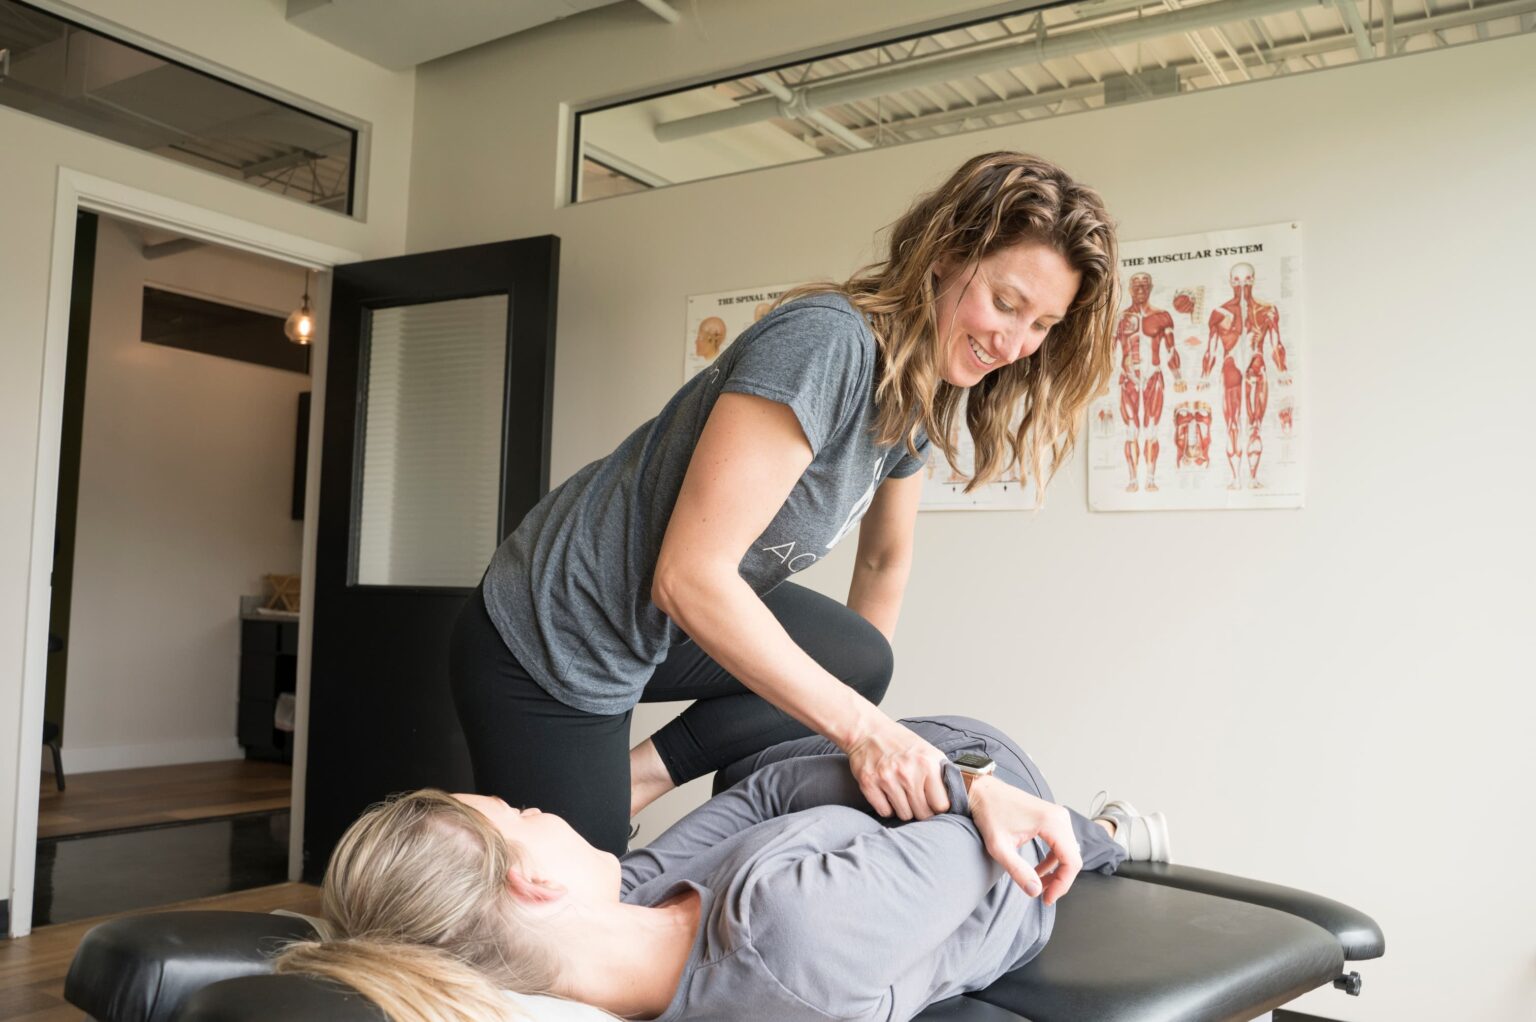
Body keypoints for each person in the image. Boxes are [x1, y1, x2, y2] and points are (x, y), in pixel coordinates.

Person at [450, 151, 1120, 858]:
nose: (1014, 344)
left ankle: (634, 776)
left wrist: (853, 732)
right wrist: (866, 735)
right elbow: (689, 577)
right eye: (1006, 303)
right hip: (556, 631)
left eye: (1043, 324)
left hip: (654, 624)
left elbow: (886, 558)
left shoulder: (916, 389)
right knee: (566, 915)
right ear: (946, 254)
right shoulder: (827, 343)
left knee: (858, 661)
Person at [277, 716, 1171, 1022]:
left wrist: (834, 798)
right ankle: (1103, 833)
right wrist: (966, 782)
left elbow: (771, 789)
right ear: (532, 884)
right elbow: (995, 838)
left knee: (761, 767)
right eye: (517, 816)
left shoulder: (623, 899)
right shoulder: (790, 936)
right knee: (1034, 819)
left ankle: (1094, 826)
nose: (537, 807)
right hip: (1004, 815)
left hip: (889, 809)